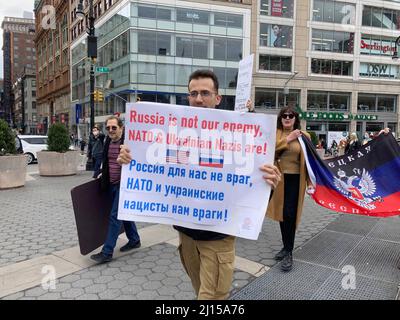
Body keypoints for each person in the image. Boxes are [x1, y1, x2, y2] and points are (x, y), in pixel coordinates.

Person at [117, 69, 281, 300]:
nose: (199, 99)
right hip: (186, 237)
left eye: (205, 92)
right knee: (199, 291)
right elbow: (156, 165)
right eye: (193, 93)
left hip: (217, 239)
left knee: (211, 297)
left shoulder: (240, 135)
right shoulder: (173, 133)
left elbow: (251, 186)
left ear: (218, 98)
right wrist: (129, 159)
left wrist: (269, 184)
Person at [266, 107, 313, 272]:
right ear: (280, 118)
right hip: (278, 179)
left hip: (295, 180)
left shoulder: (304, 136)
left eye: (290, 116)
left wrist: (310, 183)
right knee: (281, 214)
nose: (287, 118)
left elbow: (309, 161)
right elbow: (268, 150)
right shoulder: (276, 133)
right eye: (284, 116)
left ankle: (289, 251)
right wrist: (288, 139)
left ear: (295, 119)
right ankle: (286, 247)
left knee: (290, 214)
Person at [90, 116, 141, 264]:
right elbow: (105, 161)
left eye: (114, 127)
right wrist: (99, 174)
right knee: (124, 214)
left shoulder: (128, 142)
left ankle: (107, 252)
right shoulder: (107, 141)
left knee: (115, 216)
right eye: (108, 128)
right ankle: (134, 240)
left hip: (124, 186)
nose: (111, 130)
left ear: (121, 128)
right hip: (111, 184)